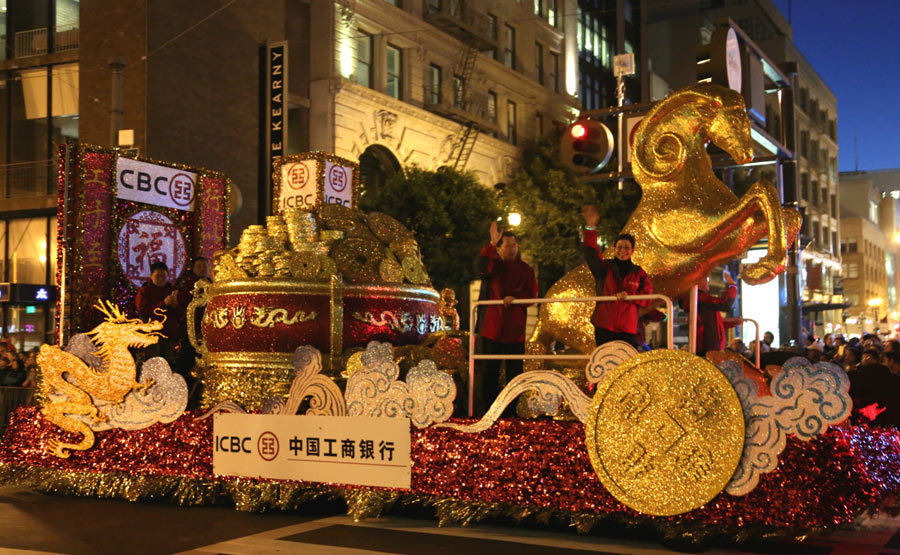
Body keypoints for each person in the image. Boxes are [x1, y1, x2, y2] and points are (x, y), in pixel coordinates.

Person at [475, 221, 537, 416]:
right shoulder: (494, 266)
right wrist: (490, 244)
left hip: (515, 331)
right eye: (507, 245)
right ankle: (489, 412)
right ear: (499, 249)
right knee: (489, 374)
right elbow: (481, 267)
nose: (512, 248)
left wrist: (516, 299)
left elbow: (532, 297)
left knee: (514, 374)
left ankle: (511, 413)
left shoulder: (526, 269)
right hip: (491, 328)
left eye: (514, 245)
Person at [579, 205, 653, 348]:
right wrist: (590, 228)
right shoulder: (604, 268)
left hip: (627, 328)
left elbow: (647, 298)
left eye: (626, 247)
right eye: (619, 247)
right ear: (614, 249)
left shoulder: (639, 273)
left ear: (632, 251)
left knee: (623, 365)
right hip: (604, 325)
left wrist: (629, 295)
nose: (622, 250)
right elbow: (591, 254)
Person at [135, 261, 182, 363]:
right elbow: (143, 310)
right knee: (153, 361)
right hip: (152, 334)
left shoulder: (173, 290)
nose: (161, 279)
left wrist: (175, 306)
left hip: (169, 333)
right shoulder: (145, 291)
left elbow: (182, 312)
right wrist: (164, 303)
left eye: (163, 276)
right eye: (157, 276)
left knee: (168, 361)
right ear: (151, 276)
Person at [682, 271, 738, 355]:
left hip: (708, 345)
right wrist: (732, 286)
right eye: (706, 279)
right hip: (708, 346)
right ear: (697, 282)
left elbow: (712, 323)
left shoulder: (699, 299)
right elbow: (724, 304)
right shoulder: (700, 298)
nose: (709, 282)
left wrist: (733, 323)